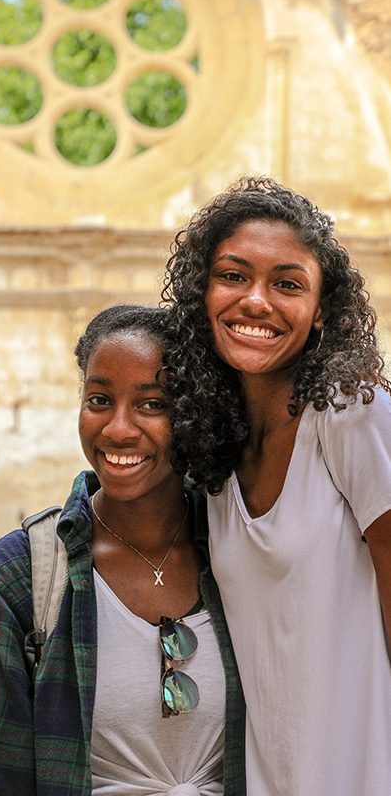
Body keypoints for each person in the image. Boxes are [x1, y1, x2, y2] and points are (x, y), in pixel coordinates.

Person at [0, 305, 245, 796]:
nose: (118, 429)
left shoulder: (240, 549)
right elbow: (3, 777)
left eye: (152, 404)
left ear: (192, 412)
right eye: (99, 400)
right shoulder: (23, 575)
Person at [161, 176, 391, 795]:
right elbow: (111, 510)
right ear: (201, 294)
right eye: (233, 276)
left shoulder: (351, 414)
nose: (255, 301)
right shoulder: (211, 445)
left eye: (286, 284)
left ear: (320, 314)